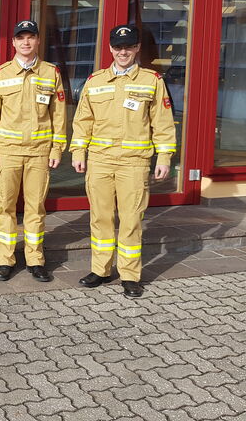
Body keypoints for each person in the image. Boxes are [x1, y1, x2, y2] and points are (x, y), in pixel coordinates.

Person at [70, 24, 176, 298]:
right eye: (118, 47)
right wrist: (78, 152)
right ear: (110, 48)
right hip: (100, 161)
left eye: (129, 46)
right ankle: (101, 270)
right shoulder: (95, 81)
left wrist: (164, 157)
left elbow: (162, 123)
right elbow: (83, 121)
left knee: (131, 220)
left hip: (134, 163)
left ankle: (130, 276)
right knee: (100, 218)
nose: (123, 52)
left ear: (137, 48)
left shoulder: (152, 81)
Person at [0, 20, 67, 282]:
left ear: (38, 40)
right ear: (14, 43)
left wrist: (57, 149)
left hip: (39, 152)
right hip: (7, 152)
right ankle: (5, 260)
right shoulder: (1, 74)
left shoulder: (51, 73)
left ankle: (35, 259)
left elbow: (58, 115)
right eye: (21, 38)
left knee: (35, 208)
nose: (26, 42)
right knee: (6, 207)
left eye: (31, 37)